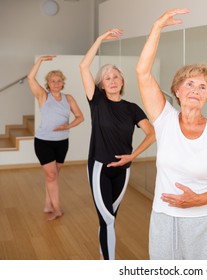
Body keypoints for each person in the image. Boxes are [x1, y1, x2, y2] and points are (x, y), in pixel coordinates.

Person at [136, 8, 207, 260]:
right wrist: (157, 27)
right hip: (165, 220)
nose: (195, 90)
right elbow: (143, 73)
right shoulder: (164, 120)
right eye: (189, 84)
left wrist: (199, 200)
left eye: (202, 87)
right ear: (176, 90)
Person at [79, 29, 156, 260]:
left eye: (116, 77)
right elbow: (84, 67)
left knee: (109, 217)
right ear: (101, 84)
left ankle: (103, 253)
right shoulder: (97, 101)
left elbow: (152, 134)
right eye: (107, 78)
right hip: (99, 167)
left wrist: (132, 157)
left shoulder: (132, 108)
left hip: (123, 170)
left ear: (122, 81)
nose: (112, 81)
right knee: (108, 219)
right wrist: (100, 40)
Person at [27, 55, 84, 221]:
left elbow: (80, 117)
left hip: (62, 142)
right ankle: (57, 209)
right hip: (44, 142)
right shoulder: (43, 96)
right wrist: (39, 61)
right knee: (52, 176)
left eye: (59, 81)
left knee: (52, 176)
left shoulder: (69, 98)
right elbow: (30, 77)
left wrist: (67, 126)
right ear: (48, 83)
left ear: (63, 83)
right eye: (53, 81)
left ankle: (48, 203)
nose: (56, 83)